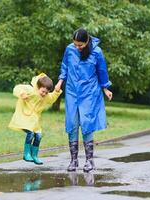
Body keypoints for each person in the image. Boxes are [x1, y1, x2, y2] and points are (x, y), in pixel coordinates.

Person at [55, 28, 113, 172]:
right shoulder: (69, 49)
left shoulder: (97, 52)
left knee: (87, 123)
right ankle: (74, 161)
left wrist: (105, 88)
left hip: (89, 92)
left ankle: (89, 161)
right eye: (75, 44)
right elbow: (64, 67)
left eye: (80, 45)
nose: (77, 47)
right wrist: (60, 82)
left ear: (87, 41)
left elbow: (102, 71)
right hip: (72, 91)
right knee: (72, 123)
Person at [8, 73, 62, 165]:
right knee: (30, 133)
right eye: (43, 91)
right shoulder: (30, 90)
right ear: (38, 86)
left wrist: (56, 92)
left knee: (38, 136)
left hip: (34, 121)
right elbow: (17, 88)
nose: (44, 94)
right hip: (24, 117)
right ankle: (27, 154)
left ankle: (34, 155)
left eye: (46, 92)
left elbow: (52, 98)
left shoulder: (45, 97)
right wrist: (22, 94)